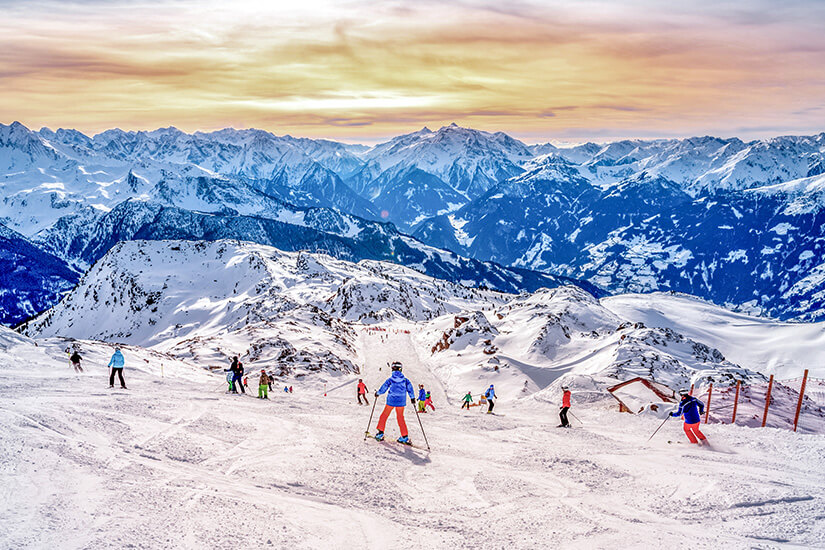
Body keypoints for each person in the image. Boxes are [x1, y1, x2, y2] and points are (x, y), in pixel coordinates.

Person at [374, 361, 416, 444]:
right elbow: (410, 389)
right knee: (400, 418)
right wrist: (412, 398)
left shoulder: (390, 380)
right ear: (401, 369)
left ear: (392, 369)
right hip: (401, 402)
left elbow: (384, 388)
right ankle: (404, 436)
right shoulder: (405, 380)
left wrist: (378, 393)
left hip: (391, 401)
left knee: (384, 415)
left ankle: (380, 433)